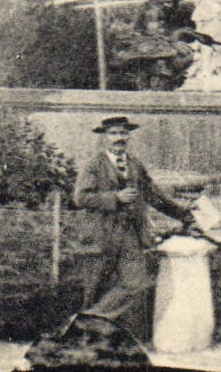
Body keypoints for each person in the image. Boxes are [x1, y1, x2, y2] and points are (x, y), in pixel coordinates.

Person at [72, 115, 195, 342]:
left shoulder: (135, 164)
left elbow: (153, 195)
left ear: (128, 136)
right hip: (101, 235)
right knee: (94, 289)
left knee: (137, 283)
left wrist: (183, 214)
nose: (119, 138)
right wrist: (114, 198)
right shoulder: (93, 165)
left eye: (123, 133)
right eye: (114, 133)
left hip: (130, 235)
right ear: (104, 138)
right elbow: (81, 198)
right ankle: (87, 343)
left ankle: (89, 320)